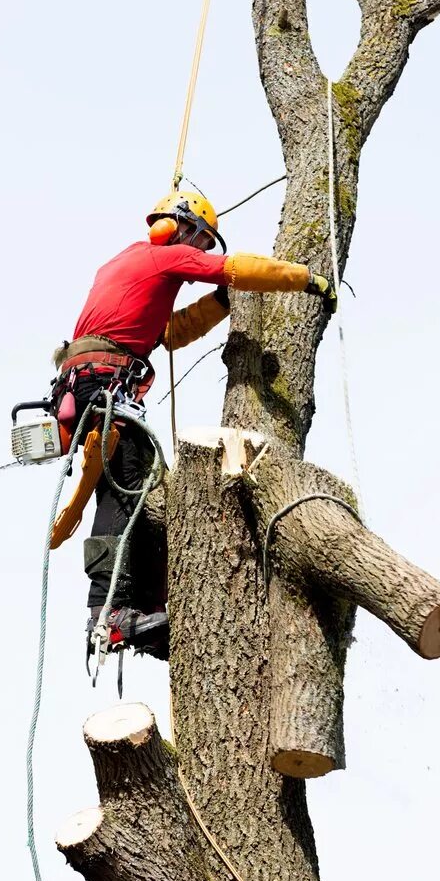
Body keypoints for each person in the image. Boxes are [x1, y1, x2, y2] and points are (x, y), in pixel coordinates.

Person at [52, 191, 337, 661]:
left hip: (84, 386)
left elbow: (168, 334)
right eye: (200, 241)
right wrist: (305, 279)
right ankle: (111, 610)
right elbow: (236, 267)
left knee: (136, 491)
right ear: (180, 226)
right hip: (103, 387)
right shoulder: (165, 256)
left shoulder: (126, 263)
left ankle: (138, 608)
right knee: (127, 492)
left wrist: (222, 303)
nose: (200, 252)